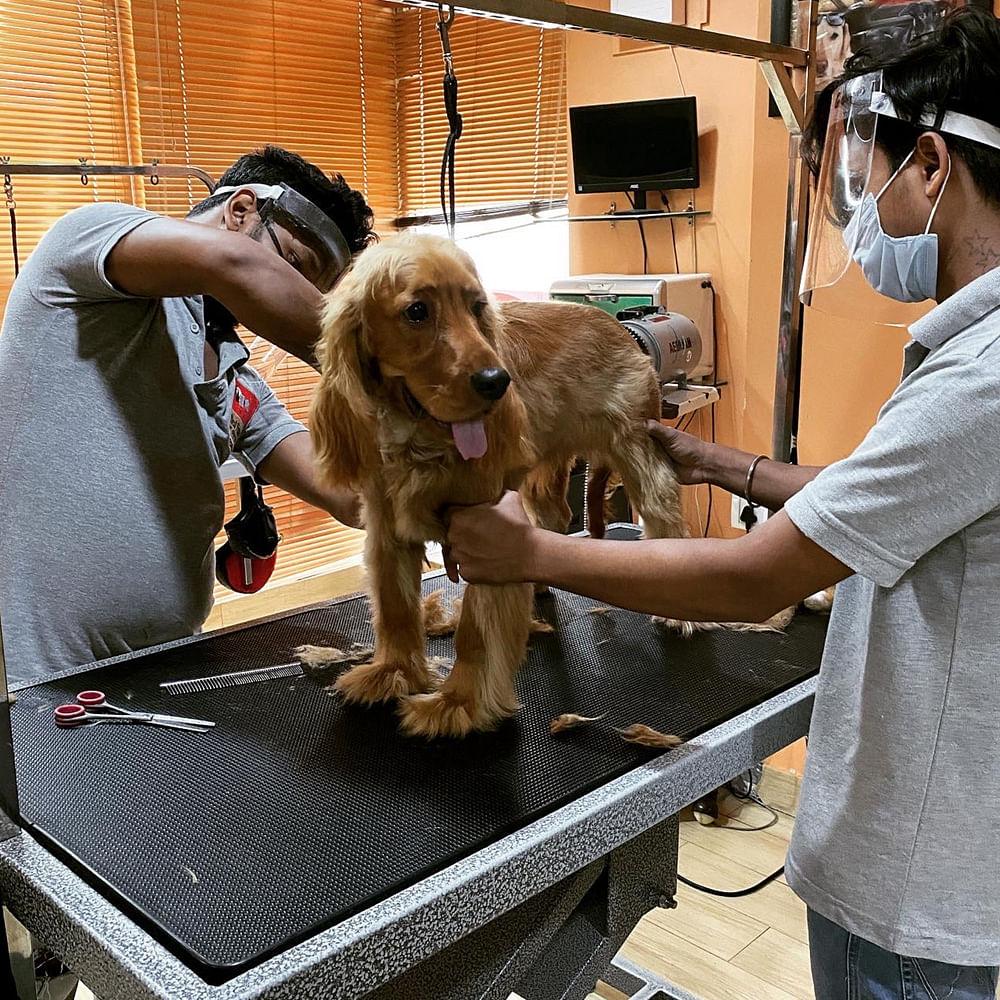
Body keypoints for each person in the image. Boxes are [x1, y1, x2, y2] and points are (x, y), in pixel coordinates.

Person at [446, 9, 1000, 998]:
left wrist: (528, 555)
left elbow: (754, 579)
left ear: (927, 164)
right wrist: (716, 461)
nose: (851, 208)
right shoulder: (972, 358)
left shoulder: (982, 379)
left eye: (856, 175)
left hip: (915, 889)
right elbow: (884, 500)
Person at [0, 145, 369, 686]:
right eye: (293, 268)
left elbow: (349, 494)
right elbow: (238, 265)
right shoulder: (91, 241)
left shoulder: (235, 380)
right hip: (41, 684)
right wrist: (395, 371)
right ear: (241, 211)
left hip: (167, 671)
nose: (290, 298)